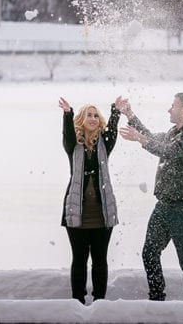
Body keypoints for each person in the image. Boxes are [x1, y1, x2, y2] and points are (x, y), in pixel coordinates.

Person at [118, 92, 183, 301]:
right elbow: (152, 138)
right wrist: (130, 115)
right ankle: (157, 297)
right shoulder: (174, 132)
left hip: (182, 207)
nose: (169, 110)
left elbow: (168, 151)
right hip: (163, 205)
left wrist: (139, 139)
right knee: (149, 252)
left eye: (173, 106)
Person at [58, 96, 125, 304]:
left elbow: (112, 132)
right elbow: (68, 134)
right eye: (89, 115)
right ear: (82, 119)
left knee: (100, 260)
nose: (93, 118)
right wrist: (67, 114)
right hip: (77, 212)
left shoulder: (104, 143)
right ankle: (77, 301)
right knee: (79, 260)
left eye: (96, 115)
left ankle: (99, 302)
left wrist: (115, 111)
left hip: (102, 213)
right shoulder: (73, 145)